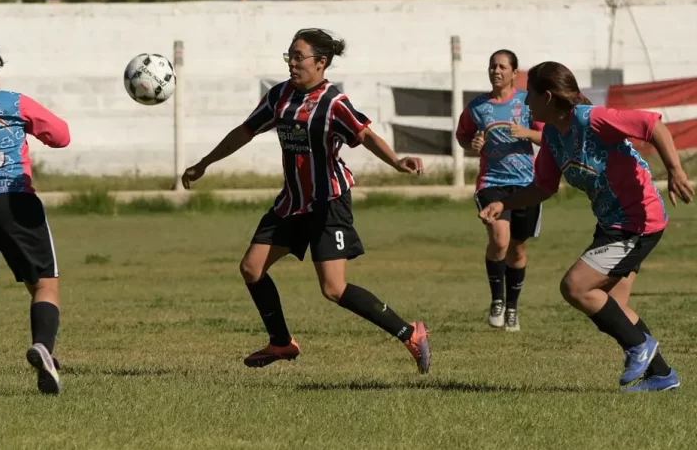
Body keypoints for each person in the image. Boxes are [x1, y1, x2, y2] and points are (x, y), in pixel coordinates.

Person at [182, 28, 431, 373]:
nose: (292, 64)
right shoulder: (279, 96)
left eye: (299, 57)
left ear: (321, 62)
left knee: (332, 288)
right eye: (290, 56)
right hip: (292, 203)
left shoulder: (333, 103)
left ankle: (410, 333)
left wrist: (396, 161)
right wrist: (205, 163)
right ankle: (281, 343)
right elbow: (244, 131)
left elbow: (365, 134)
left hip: (328, 202)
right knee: (251, 269)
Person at [478, 61, 693, 391]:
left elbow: (653, 125)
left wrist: (675, 171)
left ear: (547, 97)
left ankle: (640, 348)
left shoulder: (589, 119)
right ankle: (661, 375)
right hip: (613, 221)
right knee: (615, 308)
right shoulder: (552, 134)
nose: (524, 103)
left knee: (576, 287)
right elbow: (543, 187)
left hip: (639, 220)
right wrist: (504, 203)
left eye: (530, 95)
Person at [0, 39, 70, 394]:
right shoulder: (12, 101)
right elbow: (61, 136)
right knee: (44, 284)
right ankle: (43, 346)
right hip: (13, 202)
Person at [456, 50, 544, 332]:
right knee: (500, 238)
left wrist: (527, 134)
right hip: (491, 182)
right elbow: (463, 137)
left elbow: (549, 135)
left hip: (526, 184)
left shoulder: (528, 103)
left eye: (503, 67)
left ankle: (513, 309)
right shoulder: (477, 107)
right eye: (492, 66)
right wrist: (474, 145)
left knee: (517, 248)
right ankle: (497, 301)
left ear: (515, 73)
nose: (496, 71)